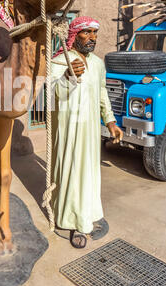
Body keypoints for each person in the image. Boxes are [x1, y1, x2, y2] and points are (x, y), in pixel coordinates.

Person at [51, 16, 123, 248]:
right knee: (72, 172)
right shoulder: (61, 61)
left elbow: (102, 93)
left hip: (91, 129)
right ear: (75, 35)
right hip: (70, 127)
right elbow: (49, 94)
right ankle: (74, 222)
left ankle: (88, 213)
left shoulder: (98, 63)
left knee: (89, 172)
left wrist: (110, 121)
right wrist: (67, 78)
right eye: (87, 32)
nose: (92, 37)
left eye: (95, 32)